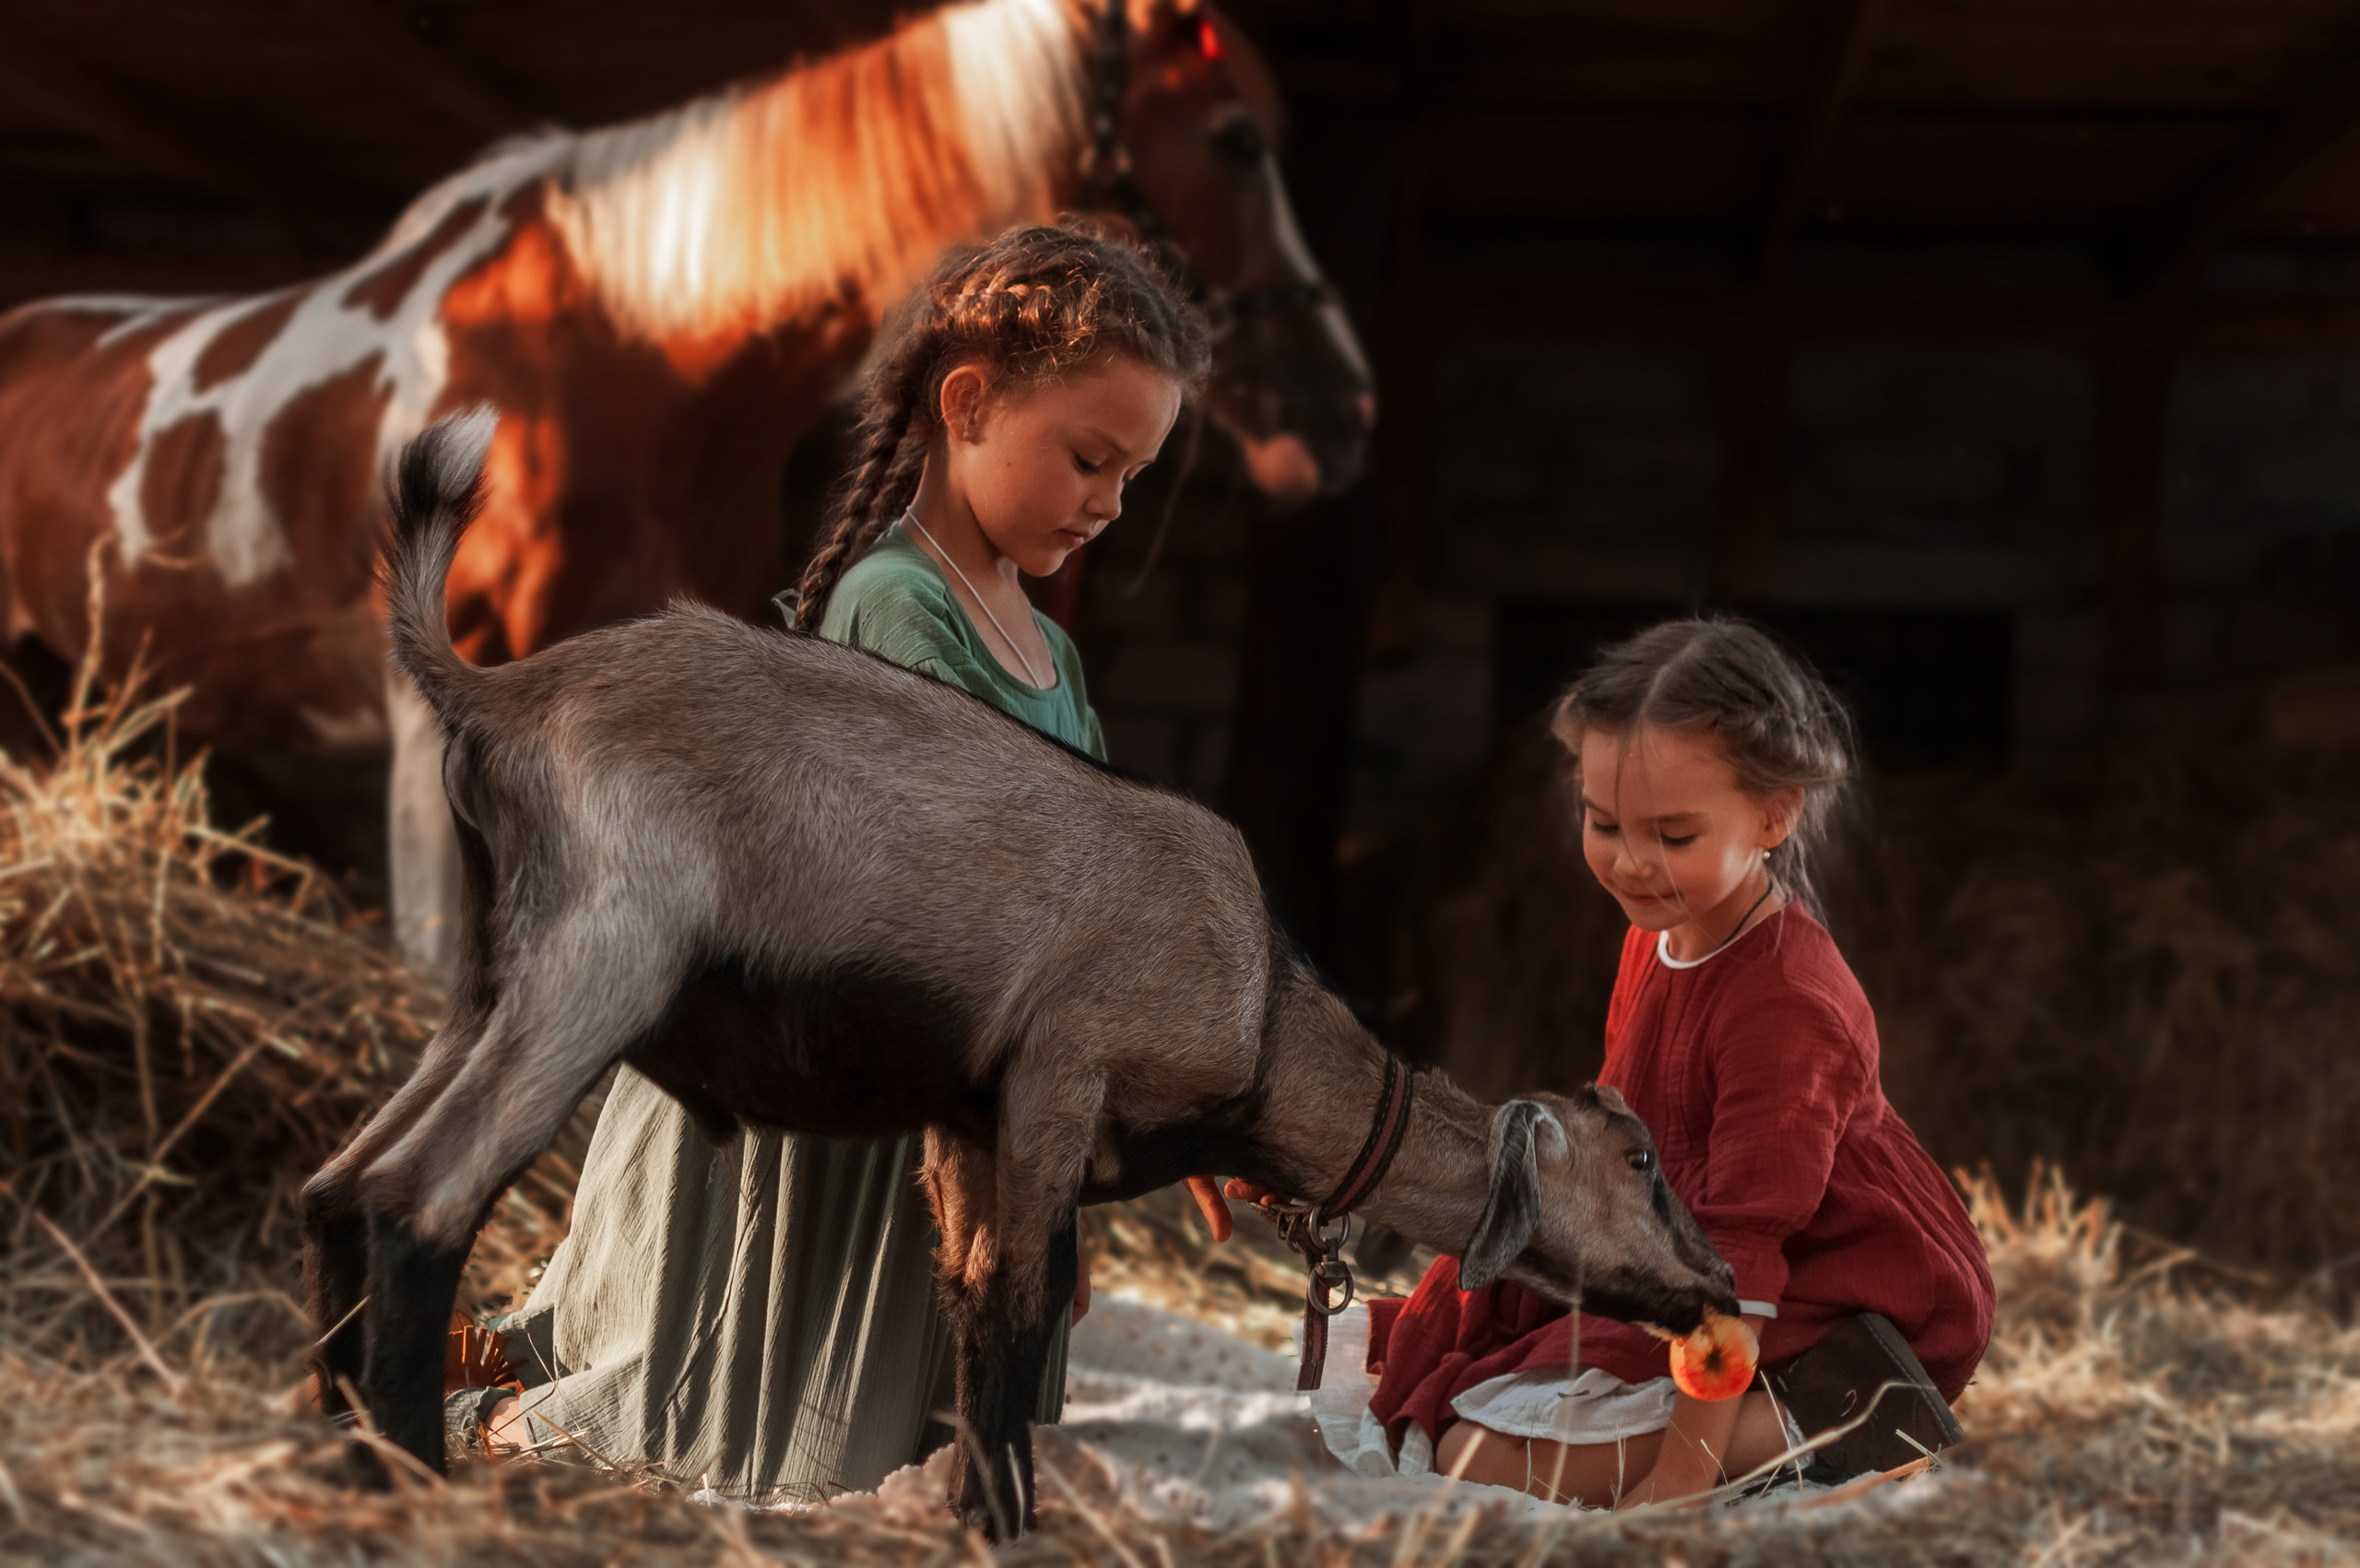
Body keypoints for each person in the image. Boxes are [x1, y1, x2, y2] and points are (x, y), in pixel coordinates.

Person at [473, 220, 1210, 1502]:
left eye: (1134, 477)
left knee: (943, 1450)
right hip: (848, 1087)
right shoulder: (895, 605)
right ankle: (513, 1414)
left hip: (974, 1080)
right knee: (777, 1455)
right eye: (1091, 459)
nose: (1110, 504)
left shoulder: (1056, 654)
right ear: (968, 404)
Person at [1319, 619, 1994, 1509]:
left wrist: (1679, 1477)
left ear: (1774, 812)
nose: (1632, 862)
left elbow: (1743, 1257)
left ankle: (1856, 1413)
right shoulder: (1663, 932)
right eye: (1605, 823)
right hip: (1690, 1254)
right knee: (1434, 1379)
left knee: (1477, 1464)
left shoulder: (1787, 1003)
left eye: (1673, 835)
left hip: (1825, 1290)